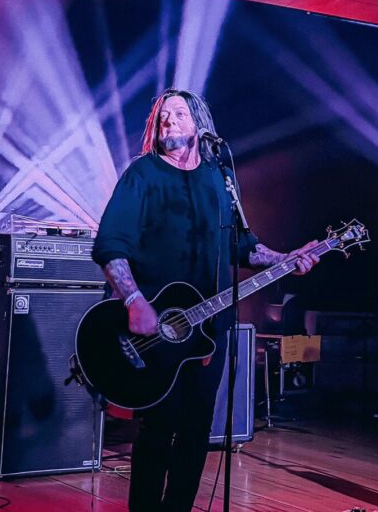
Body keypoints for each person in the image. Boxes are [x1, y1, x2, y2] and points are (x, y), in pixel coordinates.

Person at [91, 88, 321, 512]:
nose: (169, 121)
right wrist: (134, 301)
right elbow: (109, 245)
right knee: (159, 427)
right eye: (163, 116)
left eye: (179, 114)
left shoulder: (219, 178)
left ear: (199, 124)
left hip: (210, 328)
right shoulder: (142, 174)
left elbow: (244, 247)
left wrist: (286, 259)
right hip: (158, 329)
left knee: (197, 428)